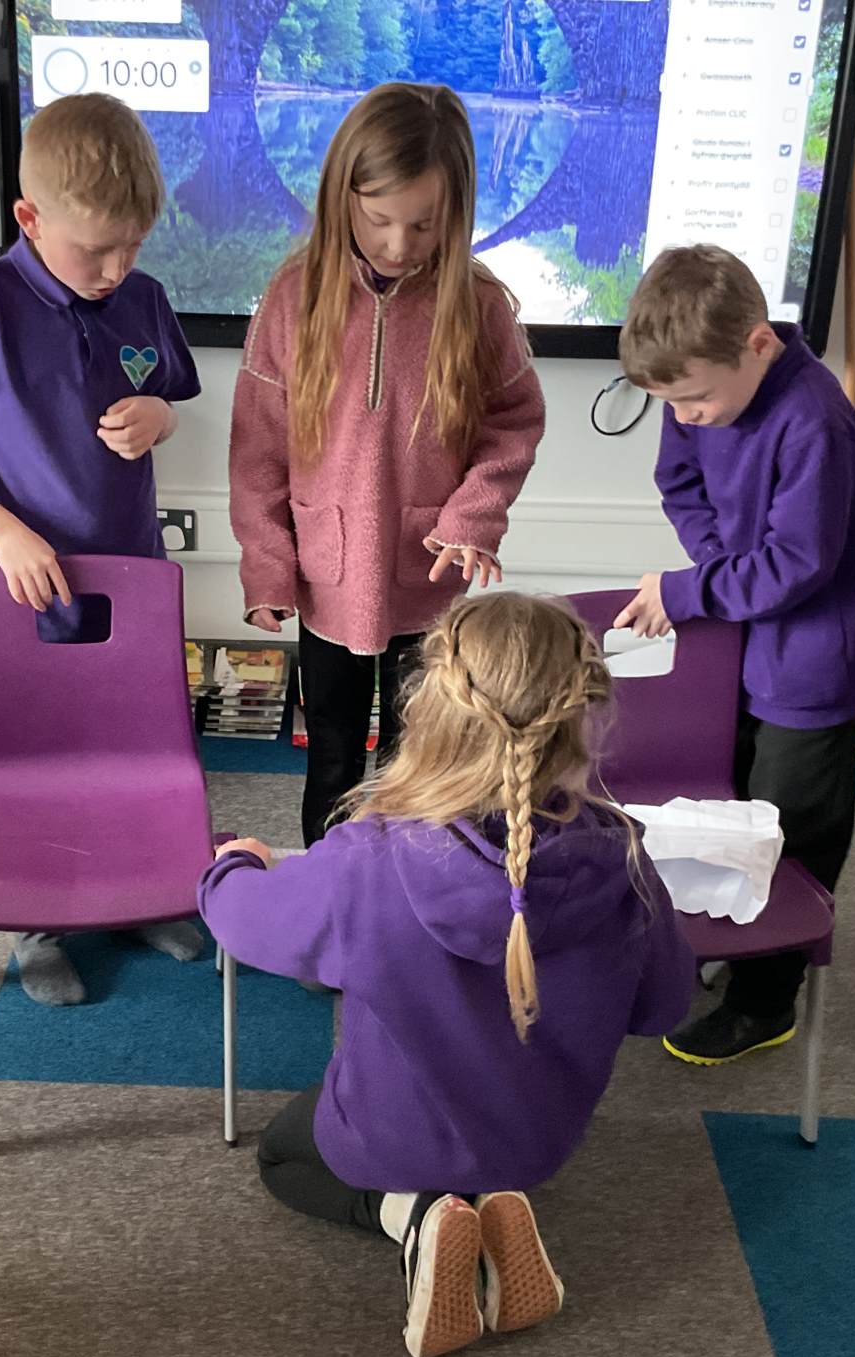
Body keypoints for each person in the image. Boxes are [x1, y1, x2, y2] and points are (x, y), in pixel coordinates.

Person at [197, 592, 695, 1357]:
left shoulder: (371, 860)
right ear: (583, 716)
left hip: (390, 1141)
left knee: (282, 1158)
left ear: (425, 707)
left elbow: (242, 922)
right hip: (538, 1144)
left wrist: (233, 864)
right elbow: (663, 1008)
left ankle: (415, 1217)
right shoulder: (625, 857)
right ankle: (492, 1199)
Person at [0, 93, 202, 1006]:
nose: (116, 268)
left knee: (127, 739)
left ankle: (134, 894)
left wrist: (161, 417)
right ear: (28, 217)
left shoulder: (142, 297)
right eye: (95, 249)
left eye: (132, 246)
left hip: (129, 579)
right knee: (40, 751)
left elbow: (172, 397)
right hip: (25, 582)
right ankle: (37, 920)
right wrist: (4, 532)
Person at [228, 82, 546, 846]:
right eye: (378, 220)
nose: (399, 244)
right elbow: (259, 448)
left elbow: (513, 424)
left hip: (428, 576)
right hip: (326, 575)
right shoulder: (294, 297)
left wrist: (472, 518)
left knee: (420, 762)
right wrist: (267, 566)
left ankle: (405, 893)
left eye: (423, 224)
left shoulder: (479, 305)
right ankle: (333, 891)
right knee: (332, 759)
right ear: (342, 195)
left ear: (455, 211)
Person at [614, 243, 855, 1064]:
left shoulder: (816, 424)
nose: (686, 415)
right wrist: (718, 570)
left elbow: (796, 566)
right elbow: (681, 483)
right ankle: (733, 935)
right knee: (728, 803)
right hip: (738, 634)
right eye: (671, 403)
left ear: (759, 345)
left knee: (790, 828)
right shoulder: (694, 387)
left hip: (811, 661)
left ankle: (766, 1000)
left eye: (696, 399)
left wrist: (693, 589)